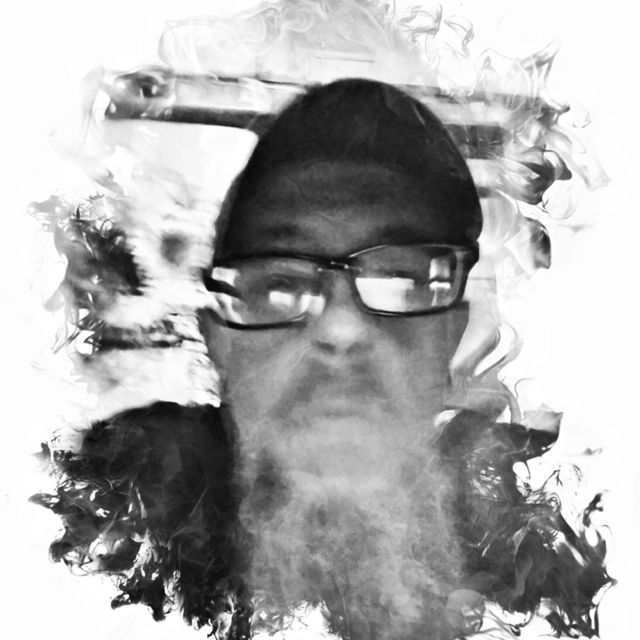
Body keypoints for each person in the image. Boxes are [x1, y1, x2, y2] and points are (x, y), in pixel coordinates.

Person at [35, 79, 609, 640]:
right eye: (280, 284)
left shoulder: (532, 572)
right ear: (217, 340)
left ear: (449, 336)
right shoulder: (105, 537)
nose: (340, 329)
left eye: (401, 279)